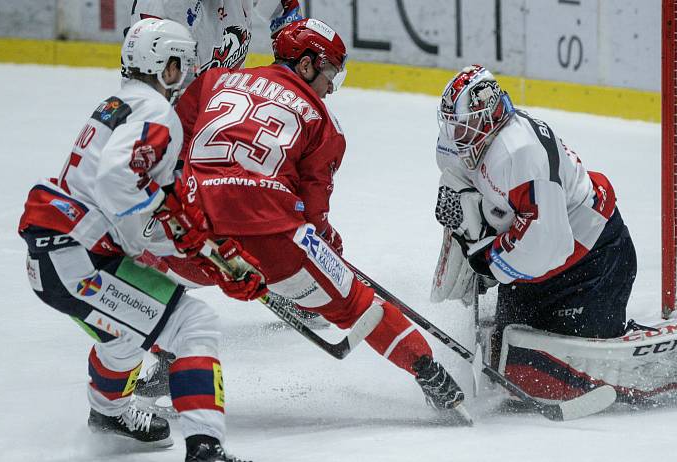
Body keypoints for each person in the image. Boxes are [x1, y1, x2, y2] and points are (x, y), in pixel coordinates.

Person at [172, 18, 470, 423]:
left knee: (142, 277)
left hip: (195, 230)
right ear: (307, 65)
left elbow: (171, 137)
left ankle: (145, 367)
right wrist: (327, 245)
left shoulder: (216, 81)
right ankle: (432, 377)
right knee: (360, 304)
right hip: (272, 240)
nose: (331, 86)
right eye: (329, 73)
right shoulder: (324, 124)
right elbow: (313, 214)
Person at [431, 65, 677, 408]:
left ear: (491, 116)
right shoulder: (464, 147)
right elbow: (468, 195)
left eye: (464, 126)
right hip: (546, 270)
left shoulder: (519, 153)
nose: (456, 137)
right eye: (452, 127)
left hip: (594, 263)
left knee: (571, 377)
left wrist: (488, 258)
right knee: (512, 366)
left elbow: (547, 244)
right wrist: (467, 232)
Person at [18, 18, 257, 462]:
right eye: (182, 65)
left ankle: (108, 414)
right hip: (78, 260)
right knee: (194, 325)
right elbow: (118, 181)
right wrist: (166, 236)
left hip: (58, 256)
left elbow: (136, 194)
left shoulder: (120, 103)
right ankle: (205, 449)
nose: (185, 75)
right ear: (165, 67)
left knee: (126, 334)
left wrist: (194, 246)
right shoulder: (155, 111)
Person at [127, 0, 325, 408]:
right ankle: (168, 349)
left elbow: (287, 11)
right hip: (179, 124)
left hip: (232, 113)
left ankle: (296, 281)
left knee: (283, 185)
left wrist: (285, 82)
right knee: (154, 239)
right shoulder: (159, 8)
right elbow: (148, 89)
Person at [129, 0, 302, 74]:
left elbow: (285, 10)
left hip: (226, 107)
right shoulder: (159, 12)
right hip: (182, 126)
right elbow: (151, 101)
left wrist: (290, 72)